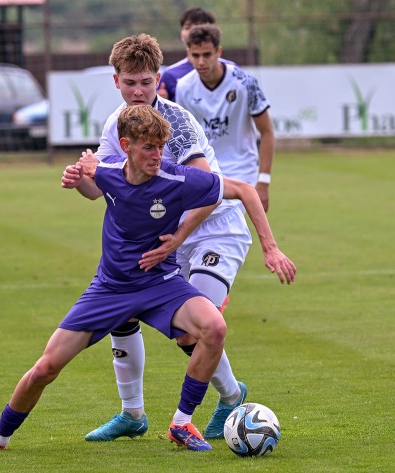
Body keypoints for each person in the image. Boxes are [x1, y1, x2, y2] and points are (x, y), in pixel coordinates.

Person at [0, 105, 296, 454]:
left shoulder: (178, 178)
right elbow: (91, 171)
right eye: (148, 147)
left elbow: (244, 190)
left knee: (214, 327)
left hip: (160, 284)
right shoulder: (108, 173)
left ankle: (181, 423)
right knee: (46, 367)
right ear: (126, 146)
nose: (157, 155)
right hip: (109, 290)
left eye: (161, 147)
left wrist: (270, 249)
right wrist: (78, 175)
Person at [74, 34, 276, 442]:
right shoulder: (117, 125)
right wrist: (81, 177)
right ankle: (133, 414)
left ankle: (228, 398)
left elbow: (204, 188)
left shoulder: (175, 124)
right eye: (130, 82)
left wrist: (178, 236)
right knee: (121, 309)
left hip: (215, 227)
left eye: (146, 82)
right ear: (116, 81)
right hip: (169, 235)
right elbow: (97, 188)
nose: (138, 91)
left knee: (193, 331)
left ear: (158, 79)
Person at [175, 24, 275, 212]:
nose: (201, 62)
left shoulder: (245, 83)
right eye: (195, 56)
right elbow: (184, 136)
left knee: (226, 216)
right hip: (205, 169)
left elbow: (267, 131)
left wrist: (263, 182)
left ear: (218, 52)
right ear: (188, 53)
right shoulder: (183, 87)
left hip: (242, 169)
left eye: (207, 55)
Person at [157, 7, 231, 102]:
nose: (192, 31)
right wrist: (161, 103)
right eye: (187, 27)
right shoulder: (169, 75)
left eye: (197, 26)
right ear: (181, 33)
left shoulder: (231, 70)